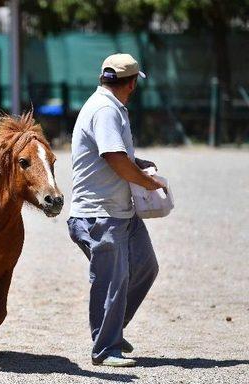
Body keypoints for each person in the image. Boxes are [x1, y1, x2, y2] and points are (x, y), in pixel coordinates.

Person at [67, 53, 166, 367]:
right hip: (99, 213)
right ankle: (105, 347)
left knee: (144, 267)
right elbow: (113, 157)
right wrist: (146, 183)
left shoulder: (109, 107)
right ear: (132, 83)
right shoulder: (106, 110)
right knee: (112, 279)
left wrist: (138, 165)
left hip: (119, 210)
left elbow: (116, 156)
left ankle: (110, 332)